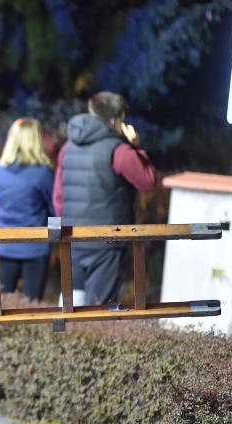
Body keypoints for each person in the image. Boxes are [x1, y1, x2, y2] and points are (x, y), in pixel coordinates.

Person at [53, 91, 156, 306]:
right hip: (106, 241)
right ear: (115, 119)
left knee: (71, 306)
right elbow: (148, 181)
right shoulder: (119, 150)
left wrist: (69, 224)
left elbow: (58, 196)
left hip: (72, 236)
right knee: (99, 311)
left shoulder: (67, 148)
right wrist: (136, 146)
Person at [0, 118, 54, 301]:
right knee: (33, 307)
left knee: (2, 307)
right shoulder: (42, 172)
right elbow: (55, 208)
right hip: (35, 247)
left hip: (4, 244)